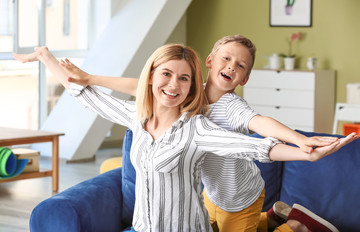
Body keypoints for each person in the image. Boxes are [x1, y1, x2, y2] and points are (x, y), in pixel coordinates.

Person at [13, 45, 357, 232]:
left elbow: (256, 142)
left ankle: (289, 227)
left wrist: (304, 147)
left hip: (231, 203)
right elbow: (84, 93)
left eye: (184, 80)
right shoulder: (142, 114)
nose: (173, 86)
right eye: (166, 76)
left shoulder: (206, 123)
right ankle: (271, 219)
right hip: (196, 202)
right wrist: (46, 57)